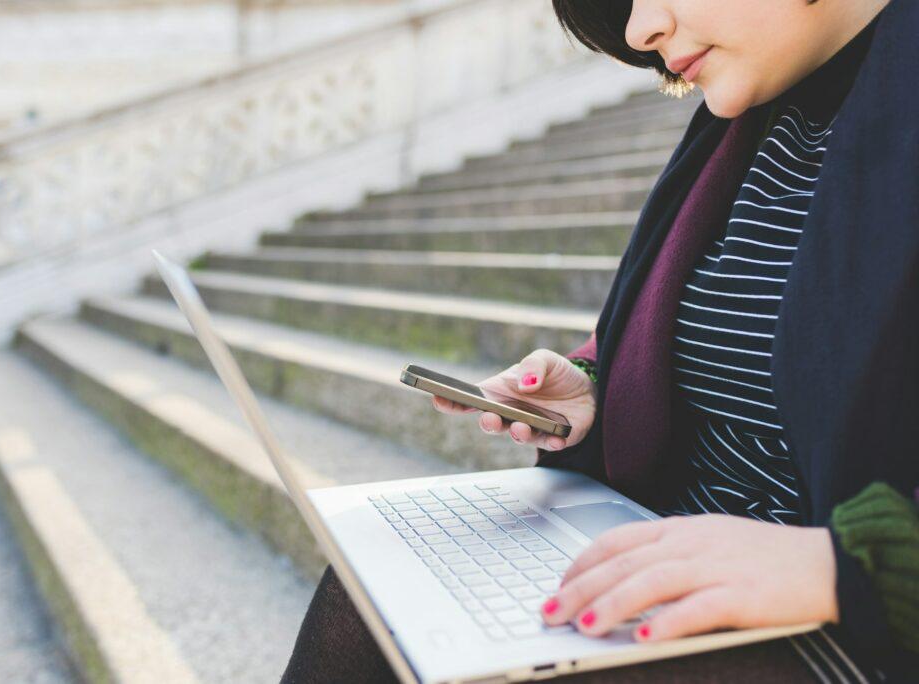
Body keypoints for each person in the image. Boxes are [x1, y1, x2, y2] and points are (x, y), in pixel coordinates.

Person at [281, 0, 919, 681]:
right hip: (666, 554)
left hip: (850, 623)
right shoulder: (749, 122)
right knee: (372, 584)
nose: (638, 27)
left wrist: (836, 565)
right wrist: (598, 384)